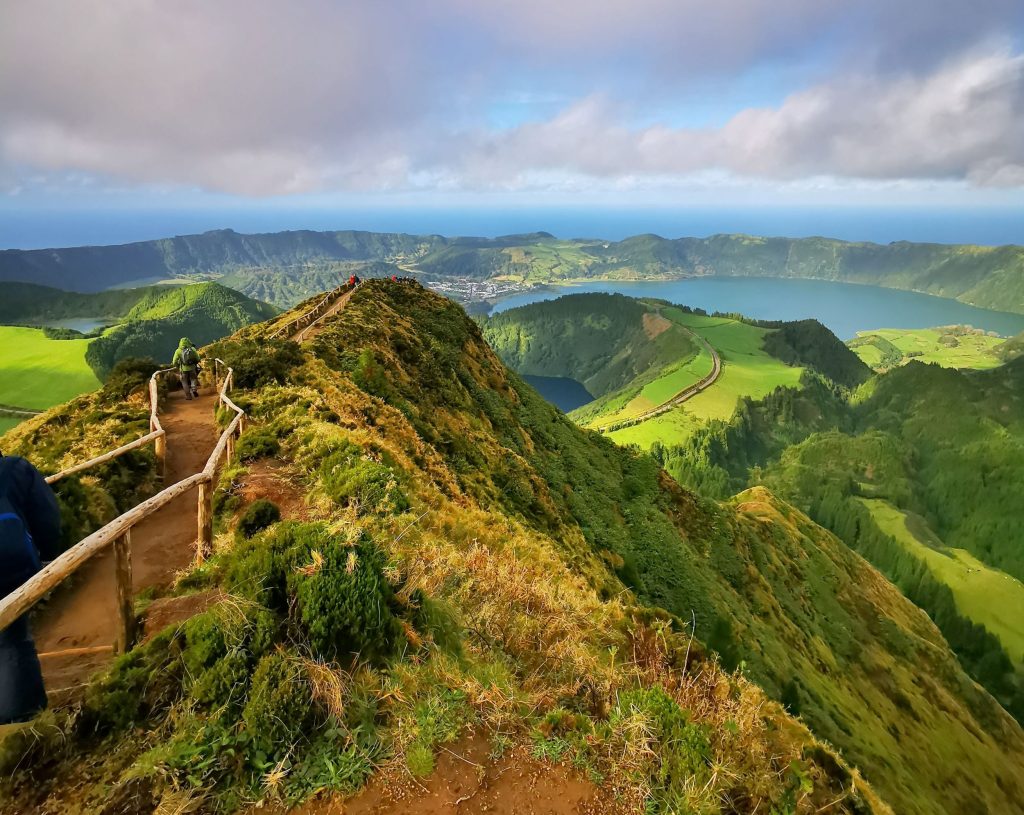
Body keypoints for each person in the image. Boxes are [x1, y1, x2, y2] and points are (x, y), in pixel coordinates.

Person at [0, 451, 62, 724]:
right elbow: (46, 515)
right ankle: (22, 726)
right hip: (8, 570)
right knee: (12, 639)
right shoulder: (13, 469)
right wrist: (49, 556)